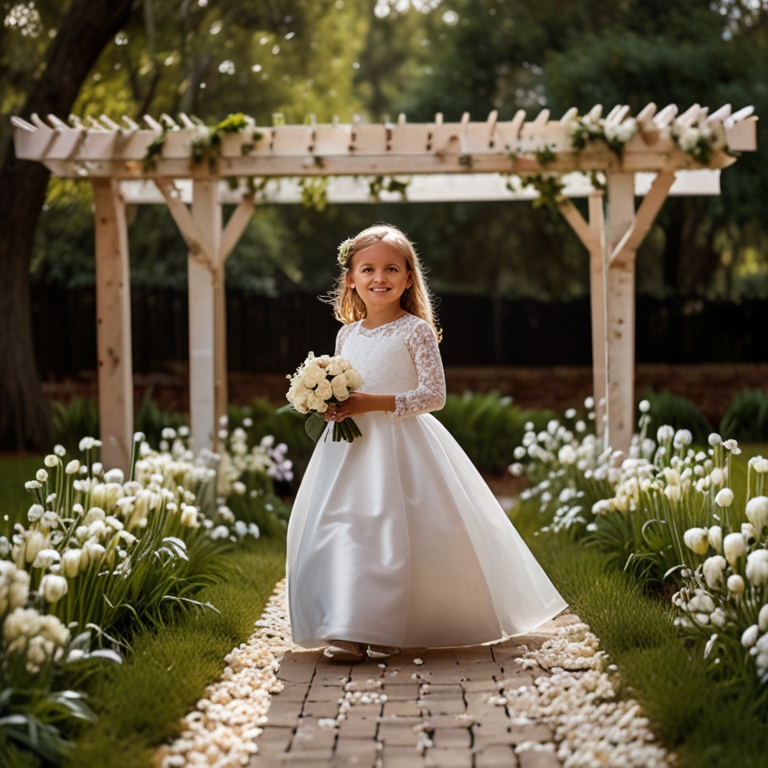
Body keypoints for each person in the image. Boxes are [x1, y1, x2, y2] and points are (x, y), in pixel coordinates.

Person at [286, 224, 567, 662]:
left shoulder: (415, 330)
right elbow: (344, 386)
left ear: (409, 277)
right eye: (368, 269)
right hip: (349, 449)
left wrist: (369, 403)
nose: (380, 278)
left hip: (401, 448)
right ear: (351, 279)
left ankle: (387, 624)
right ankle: (346, 626)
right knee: (343, 527)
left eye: (391, 269)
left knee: (392, 530)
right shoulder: (347, 335)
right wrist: (331, 405)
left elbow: (434, 396)